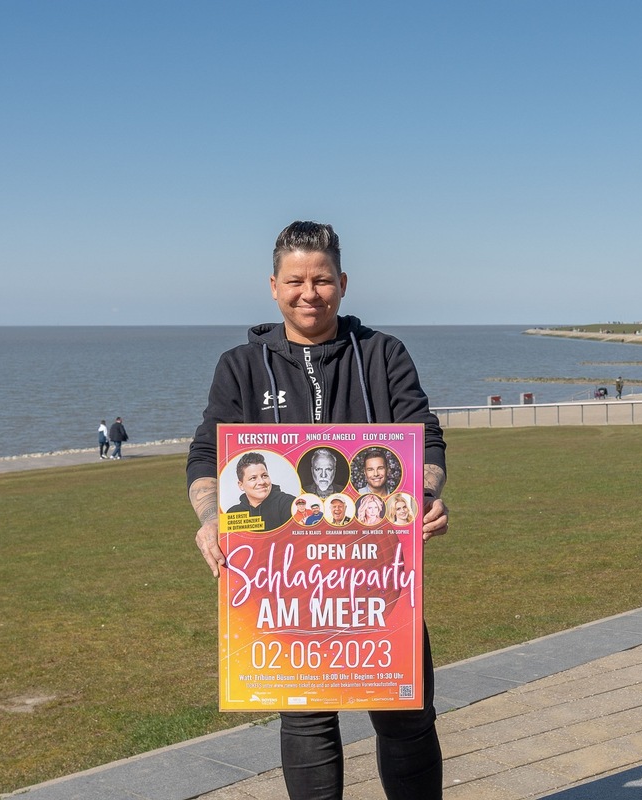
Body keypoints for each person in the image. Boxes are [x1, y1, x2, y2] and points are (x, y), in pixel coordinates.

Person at [187, 220, 449, 800]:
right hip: (285, 581)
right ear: (274, 286)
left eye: (323, 280)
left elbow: (423, 435)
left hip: (379, 573)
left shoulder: (383, 354)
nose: (310, 293)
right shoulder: (241, 365)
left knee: (405, 718)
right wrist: (210, 519)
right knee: (306, 719)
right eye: (296, 281)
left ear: (343, 283)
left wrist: (426, 495)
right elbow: (208, 453)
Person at [225, 450, 295, 530]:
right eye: (253, 478)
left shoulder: (289, 504)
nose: (261, 482)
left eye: (264, 476)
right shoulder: (233, 513)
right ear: (241, 485)